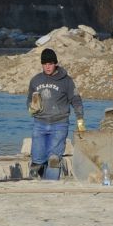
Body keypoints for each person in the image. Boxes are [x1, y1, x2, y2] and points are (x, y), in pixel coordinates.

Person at [26, 48, 85, 180]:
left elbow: (76, 100)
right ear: (42, 64)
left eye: (50, 64)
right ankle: (35, 182)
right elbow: (29, 99)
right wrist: (31, 109)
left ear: (56, 64)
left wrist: (80, 119)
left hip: (60, 124)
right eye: (45, 64)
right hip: (39, 124)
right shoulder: (35, 80)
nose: (48, 67)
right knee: (37, 159)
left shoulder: (66, 81)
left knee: (53, 159)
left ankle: (50, 186)